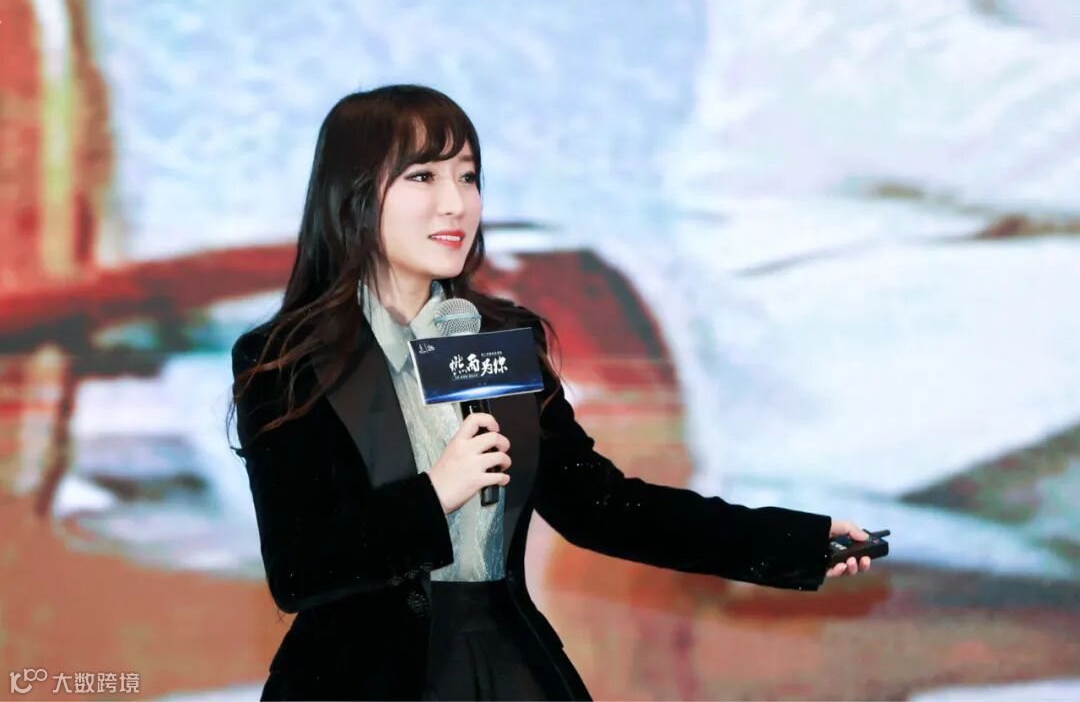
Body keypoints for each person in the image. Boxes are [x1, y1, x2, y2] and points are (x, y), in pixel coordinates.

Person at [228, 84, 875, 701]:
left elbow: (602, 506)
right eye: (423, 177)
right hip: (358, 678)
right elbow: (300, 570)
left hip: (504, 661)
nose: (456, 203)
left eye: (468, 177)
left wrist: (794, 543)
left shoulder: (494, 341)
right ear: (353, 196)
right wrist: (436, 493)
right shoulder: (289, 361)